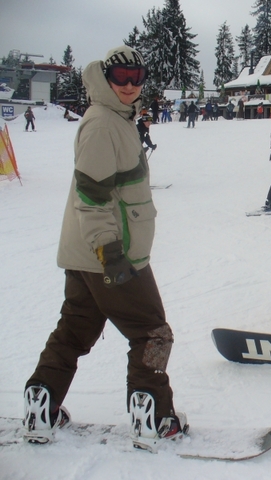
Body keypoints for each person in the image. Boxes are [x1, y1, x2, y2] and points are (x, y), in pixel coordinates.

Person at [23, 45, 186, 448]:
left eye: (137, 77)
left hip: (86, 254)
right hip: (109, 255)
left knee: (75, 330)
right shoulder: (101, 124)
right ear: (107, 78)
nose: (130, 85)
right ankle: (155, 418)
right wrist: (110, 253)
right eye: (121, 78)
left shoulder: (115, 118)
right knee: (153, 333)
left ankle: (41, 405)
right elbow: (91, 197)